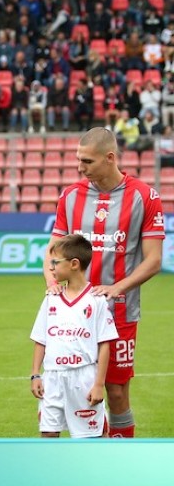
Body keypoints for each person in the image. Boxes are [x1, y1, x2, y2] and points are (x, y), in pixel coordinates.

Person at [44, 127, 164, 438]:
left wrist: (117, 288)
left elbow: (153, 260)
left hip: (119, 311)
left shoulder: (144, 197)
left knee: (117, 392)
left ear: (110, 158)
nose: (79, 168)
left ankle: (119, 464)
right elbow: (52, 251)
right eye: (77, 160)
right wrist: (51, 283)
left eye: (87, 161)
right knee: (72, 390)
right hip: (72, 315)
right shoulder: (70, 197)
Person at [30, 235, 119, 439]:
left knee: (92, 438)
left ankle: (103, 470)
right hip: (52, 378)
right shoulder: (51, 298)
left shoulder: (96, 300)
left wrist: (98, 384)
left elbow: (105, 345)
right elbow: (40, 339)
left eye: (55, 262)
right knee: (48, 435)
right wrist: (36, 374)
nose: (50, 267)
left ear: (74, 264)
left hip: (84, 377)